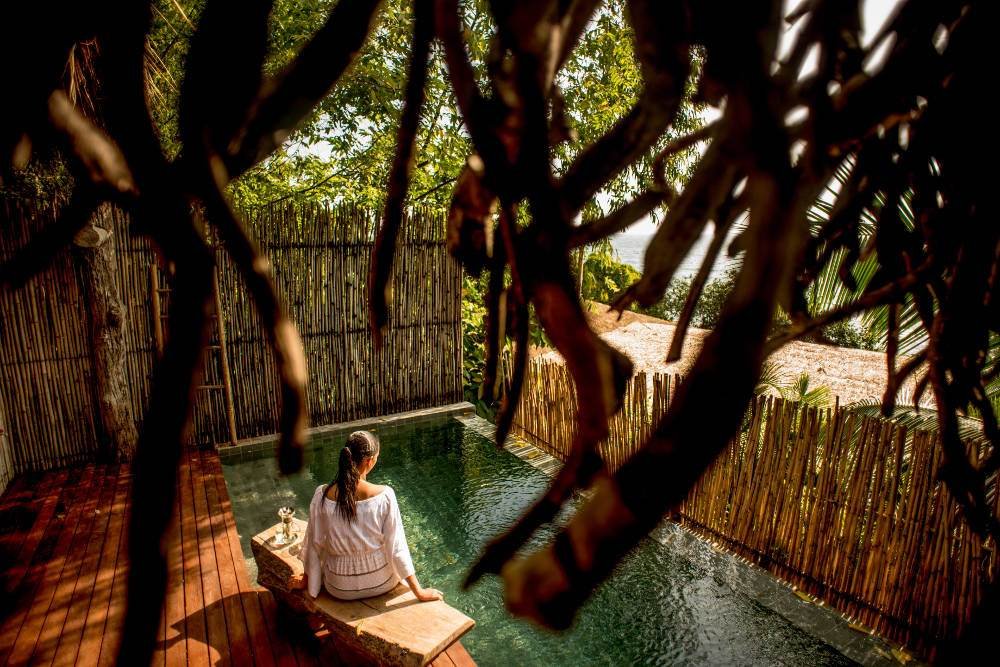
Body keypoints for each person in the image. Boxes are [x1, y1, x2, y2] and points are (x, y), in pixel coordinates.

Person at [289, 430, 442, 602]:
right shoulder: (384, 496)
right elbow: (397, 548)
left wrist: (305, 581)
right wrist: (419, 593)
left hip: (338, 587)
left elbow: (313, 543)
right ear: (370, 461)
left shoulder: (322, 494)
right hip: (380, 582)